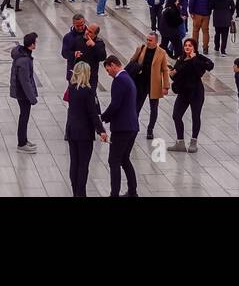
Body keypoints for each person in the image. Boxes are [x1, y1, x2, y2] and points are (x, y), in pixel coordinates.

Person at [64, 61, 107, 197]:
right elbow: (92, 114)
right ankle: (81, 193)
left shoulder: (71, 88)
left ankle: (75, 191)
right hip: (84, 132)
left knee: (74, 163)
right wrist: (101, 131)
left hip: (72, 129)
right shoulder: (88, 91)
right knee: (83, 164)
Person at [100, 54, 138, 197]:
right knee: (124, 159)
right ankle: (133, 191)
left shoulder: (119, 81)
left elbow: (115, 105)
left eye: (108, 70)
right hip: (131, 126)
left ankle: (114, 193)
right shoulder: (127, 78)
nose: (108, 73)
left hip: (122, 128)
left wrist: (102, 118)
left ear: (113, 65)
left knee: (114, 160)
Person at [169, 38, 214, 152]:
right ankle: (180, 142)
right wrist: (172, 74)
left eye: (190, 45)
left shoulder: (198, 58)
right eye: (185, 45)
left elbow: (205, 68)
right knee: (176, 115)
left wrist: (194, 58)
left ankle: (193, 142)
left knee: (195, 116)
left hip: (196, 92)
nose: (187, 47)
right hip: (183, 92)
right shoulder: (181, 58)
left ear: (194, 47)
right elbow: (175, 74)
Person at [127, 31, 171, 140]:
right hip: (140, 82)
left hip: (154, 84)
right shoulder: (141, 48)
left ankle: (150, 129)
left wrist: (166, 86)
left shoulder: (161, 52)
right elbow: (132, 61)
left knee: (154, 109)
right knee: (136, 107)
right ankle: (134, 127)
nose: (148, 42)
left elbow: (165, 69)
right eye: (147, 39)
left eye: (150, 40)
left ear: (156, 41)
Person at [9, 32, 39, 153]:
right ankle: (21, 144)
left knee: (24, 116)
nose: (36, 44)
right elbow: (25, 81)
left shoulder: (23, 55)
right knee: (24, 117)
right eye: (35, 42)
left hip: (22, 92)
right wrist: (32, 98)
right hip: (22, 93)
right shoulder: (24, 60)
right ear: (31, 44)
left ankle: (24, 139)